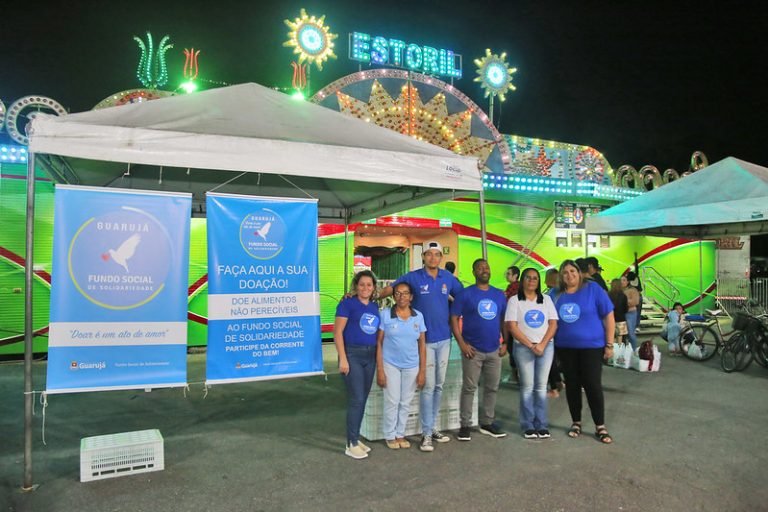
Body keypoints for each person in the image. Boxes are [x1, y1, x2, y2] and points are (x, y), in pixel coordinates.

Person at [378, 240, 463, 452]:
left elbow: (464, 296)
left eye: (437, 254)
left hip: (444, 340)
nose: (433, 258)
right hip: (423, 341)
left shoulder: (448, 278)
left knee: (438, 386)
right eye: (429, 254)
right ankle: (426, 434)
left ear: (441, 258)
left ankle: (432, 427)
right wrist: (363, 295)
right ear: (423, 256)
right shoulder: (413, 277)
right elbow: (391, 290)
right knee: (427, 387)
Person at [553, 260, 616, 444]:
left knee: (592, 385)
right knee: (572, 386)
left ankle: (600, 426)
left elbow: (609, 316)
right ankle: (576, 422)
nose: (569, 275)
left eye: (573, 271)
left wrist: (610, 344)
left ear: (579, 273)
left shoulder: (593, 289)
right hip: (565, 348)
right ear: (561, 276)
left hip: (592, 347)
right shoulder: (555, 295)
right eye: (565, 272)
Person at [451, 259, 508, 441]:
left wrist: (505, 341)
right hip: (472, 350)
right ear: (474, 272)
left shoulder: (499, 295)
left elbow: (503, 320)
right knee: (469, 388)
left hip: (494, 349)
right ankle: (465, 425)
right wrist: (461, 343)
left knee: (492, 387)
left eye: (487, 267)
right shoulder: (465, 294)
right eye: (480, 268)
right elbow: (453, 318)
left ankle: (487, 423)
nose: (484, 270)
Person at [506, 268, 558, 439]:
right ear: (522, 280)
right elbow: (512, 327)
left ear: (539, 281)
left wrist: (542, 344)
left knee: (541, 387)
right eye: (528, 277)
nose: (531, 281)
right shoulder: (514, 301)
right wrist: (530, 345)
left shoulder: (547, 300)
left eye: (535, 278)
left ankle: (541, 424)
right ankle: (528, 424)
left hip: (546, 347)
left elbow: (553, 324)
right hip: (523, 348)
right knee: (527, 387)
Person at [334, 270, 381, 459]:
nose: (365, 288)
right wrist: (343, 358)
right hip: (352, 354)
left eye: (369, 285)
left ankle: (355, 438)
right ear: (356, 286)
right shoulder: (346, 304)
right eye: (362, 284)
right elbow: (338, 333)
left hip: (369, 356)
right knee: (356, 399)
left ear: (373, 288)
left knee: (362, 399)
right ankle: (350, 443)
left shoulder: (374, 307)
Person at [376, 282, 426, 449]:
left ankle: (400, 434)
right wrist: (381, 370)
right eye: (398, 293)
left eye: (405, 293)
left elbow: (422, 345)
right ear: (393, 296)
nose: (401, 296)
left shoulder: (418, 316)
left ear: (411, 297)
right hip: (390, 364)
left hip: (412, 365)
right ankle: (390, 435)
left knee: (405, 402)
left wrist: (422, 371)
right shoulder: (385, 315)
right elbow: (379, 342)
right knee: (392, 400)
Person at [544, 268, 564, 397]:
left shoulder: (551, 293)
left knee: (549, 359)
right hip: (564, 331)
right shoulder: (566, 292)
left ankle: (554, 388)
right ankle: (559, 382)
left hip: (553, 330)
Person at [622, 274, 640, 350]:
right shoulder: (619, 290)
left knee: (630, 333)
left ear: (628, 281)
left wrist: (623, 301)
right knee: (621, 334)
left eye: (624, 280)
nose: (622, 282)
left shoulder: (633, 290)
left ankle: (634, 350)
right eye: (620, 280)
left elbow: (635, 301)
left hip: (630, 313)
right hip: (621, 313)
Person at [608, 279, 629, 346]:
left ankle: (612, 351)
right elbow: (626, 309)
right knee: (620, 337)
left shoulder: (608, 295)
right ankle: (619, 352)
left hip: (610, 319)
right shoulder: (623, 296)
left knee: (612, 337)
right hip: (621, 319)